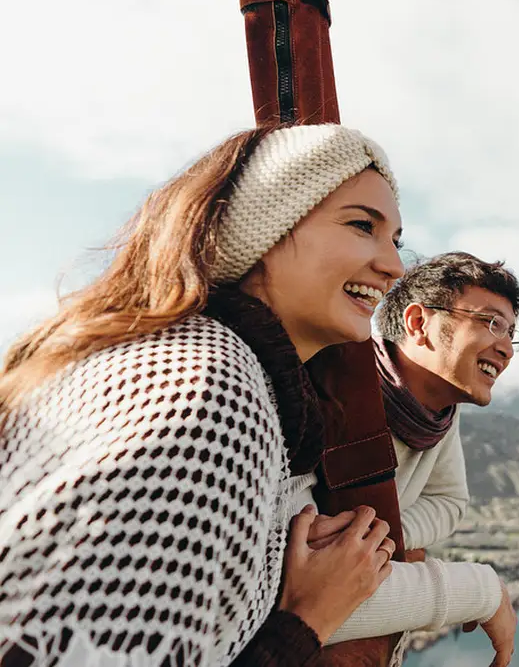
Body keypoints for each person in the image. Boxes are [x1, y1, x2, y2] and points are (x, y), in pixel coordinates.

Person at [0, 122, 407, 666]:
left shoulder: (170, 357)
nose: (395, 267)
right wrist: (305, 620)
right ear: (264, 229)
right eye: (362, 225)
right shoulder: (212, 399)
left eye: (396, 241)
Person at [292, 251, 519, 667]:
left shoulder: (437, 412)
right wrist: (481, 591)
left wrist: (386, 544)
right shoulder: (322, 394)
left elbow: (450, 502)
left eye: (512, 333)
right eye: (492, 323)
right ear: (419, 323)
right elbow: (298, 600)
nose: (507, 348)